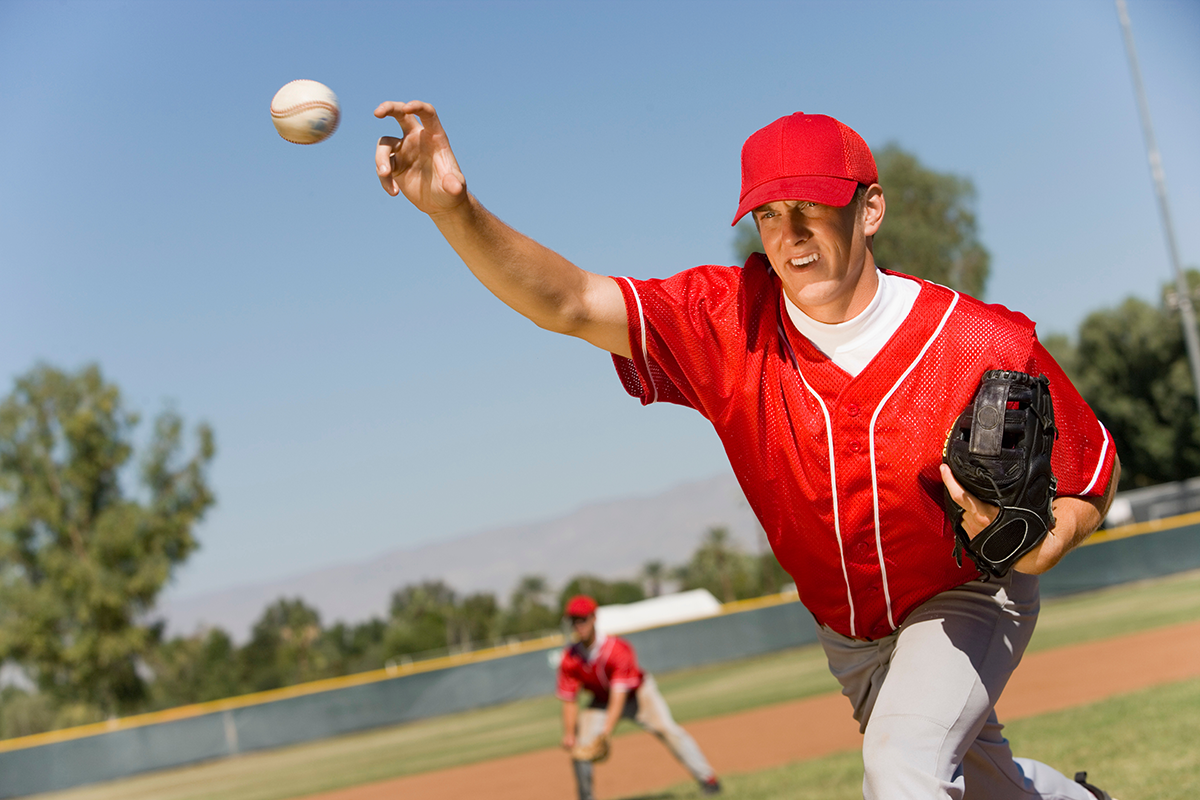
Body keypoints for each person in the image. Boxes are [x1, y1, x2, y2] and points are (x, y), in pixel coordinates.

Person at [373, 101, 1122, 800]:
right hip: (847, 630)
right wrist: (455, 211)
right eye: (768, 213)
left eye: (810, 207)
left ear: (870, 209)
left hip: (963, 594)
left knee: (900, 765)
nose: (789, 234)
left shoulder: (978, 341)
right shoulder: (725, 323)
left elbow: (1094, 469)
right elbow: (570, 301)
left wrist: (1046, 544)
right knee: (983, 785)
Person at [556, 594, 721, 799]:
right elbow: (569, 699)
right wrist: (570, 734)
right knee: (581, 749)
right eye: (574, 620)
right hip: (601, 700)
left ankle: (709, 780)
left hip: (638, 695)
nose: (578, 624)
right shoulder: (570, 657)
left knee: (668, 729)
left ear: (594, 618)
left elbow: (619, 695)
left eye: (583, 619)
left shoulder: (617, 649)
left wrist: (606, 732)